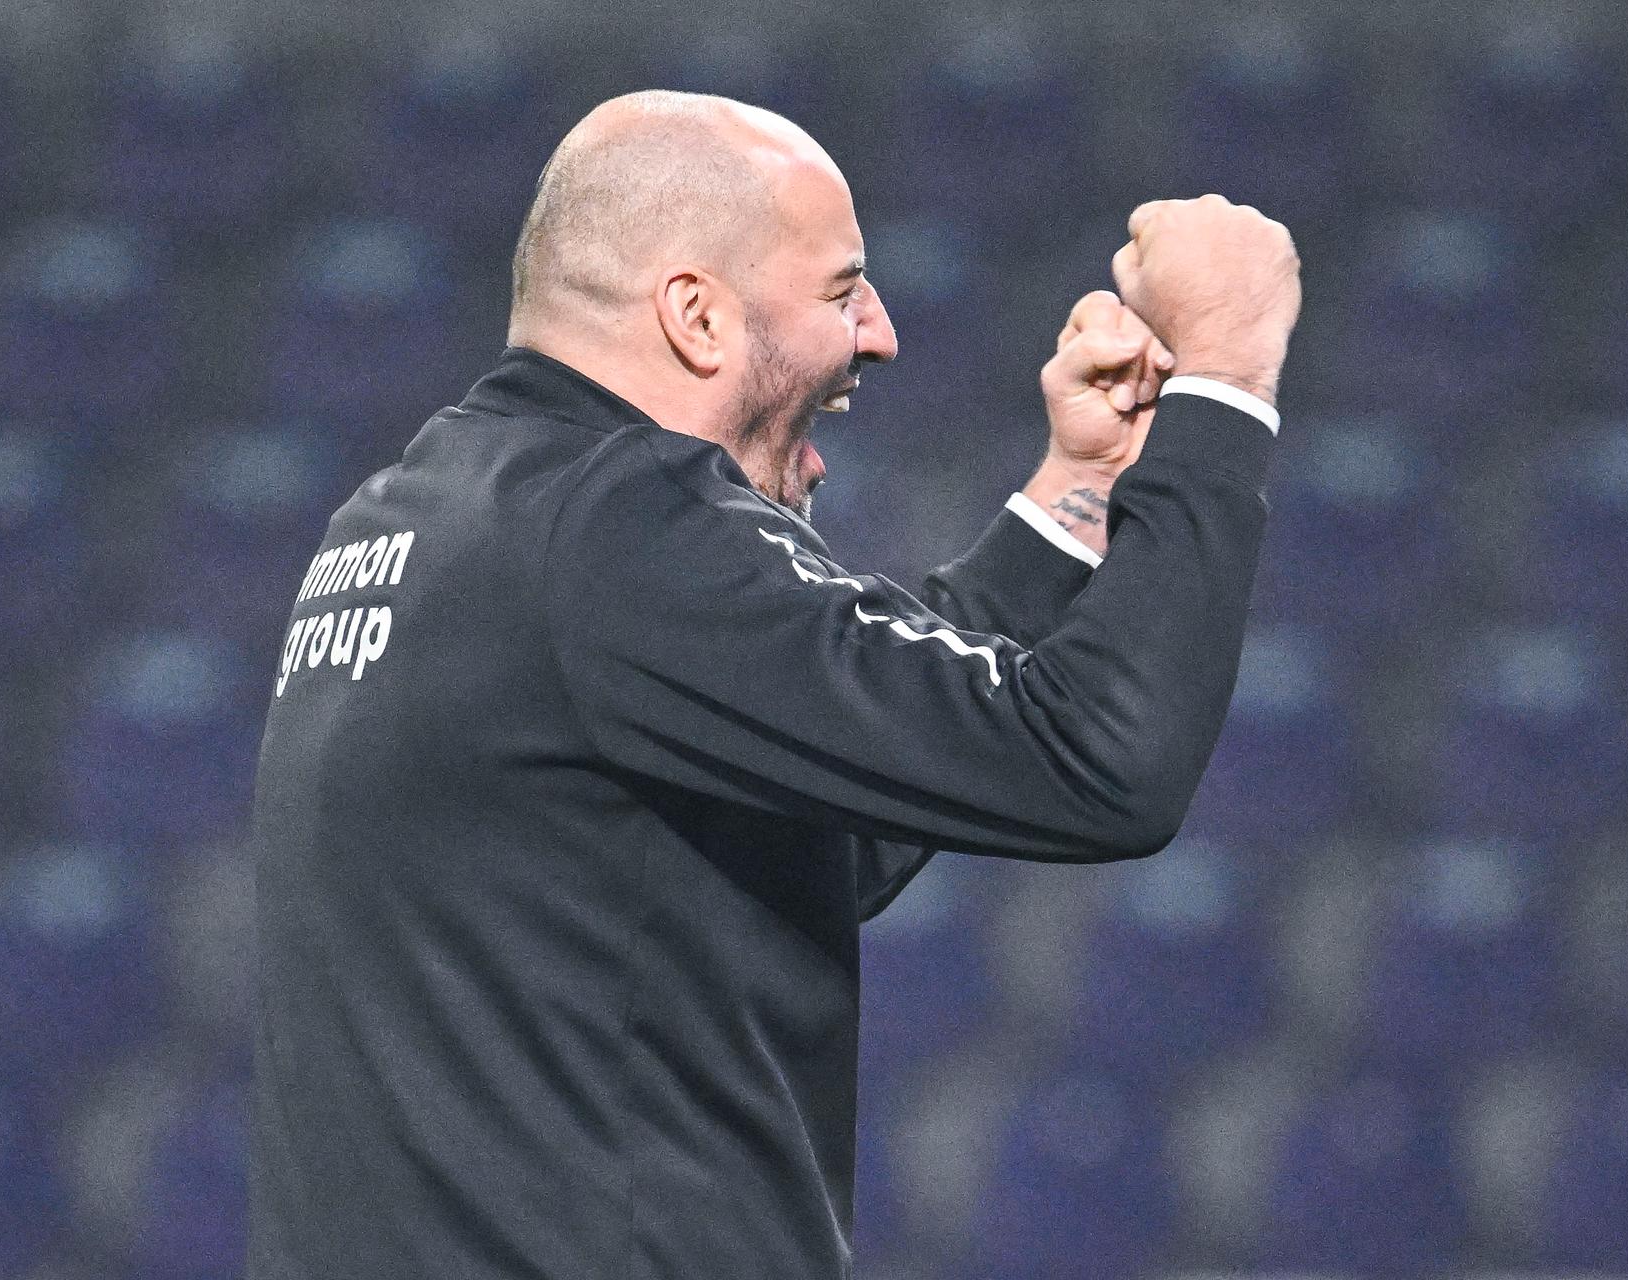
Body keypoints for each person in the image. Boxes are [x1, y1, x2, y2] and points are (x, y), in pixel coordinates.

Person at [248, 89, 1299, 1280]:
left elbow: (821, 818)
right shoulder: (617, 517)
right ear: (696, 314)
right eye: (844, 289)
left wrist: (1076, 495)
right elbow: (1102, 758)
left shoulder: (416, 519)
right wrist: (1227, 375)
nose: (882, 332)